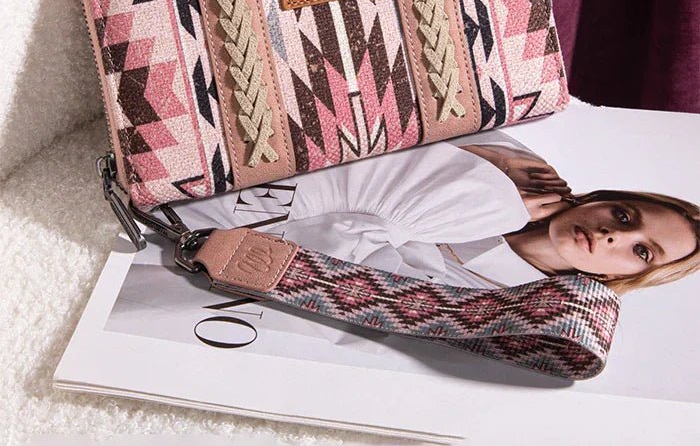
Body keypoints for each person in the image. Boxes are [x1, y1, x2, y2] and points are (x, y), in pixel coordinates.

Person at [171, 131, 700, 296]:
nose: (611, 235)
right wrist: (488, 165)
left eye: (641, 251)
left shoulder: (502, 301)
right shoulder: (525, 170)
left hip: (202, 258)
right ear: (605, 198)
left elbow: (322, 262)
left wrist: (473, 198)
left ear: (625, 277)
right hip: (213, 178)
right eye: (625, 216)